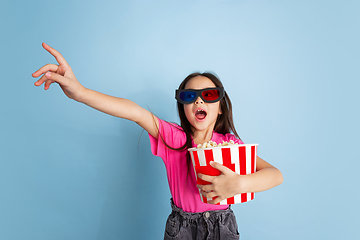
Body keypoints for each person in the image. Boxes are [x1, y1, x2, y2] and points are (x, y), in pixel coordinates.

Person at [32, 43, 283, 240]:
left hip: (223, 226)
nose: (199, 101)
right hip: (181, 227)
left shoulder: (230, 146)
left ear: (220, 107)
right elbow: (135, 112)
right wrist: (81, 92)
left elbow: (275, 175)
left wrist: (239, 183)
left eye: (208, 95)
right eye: (189, 96)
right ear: (182, 107)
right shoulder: (175, 139)